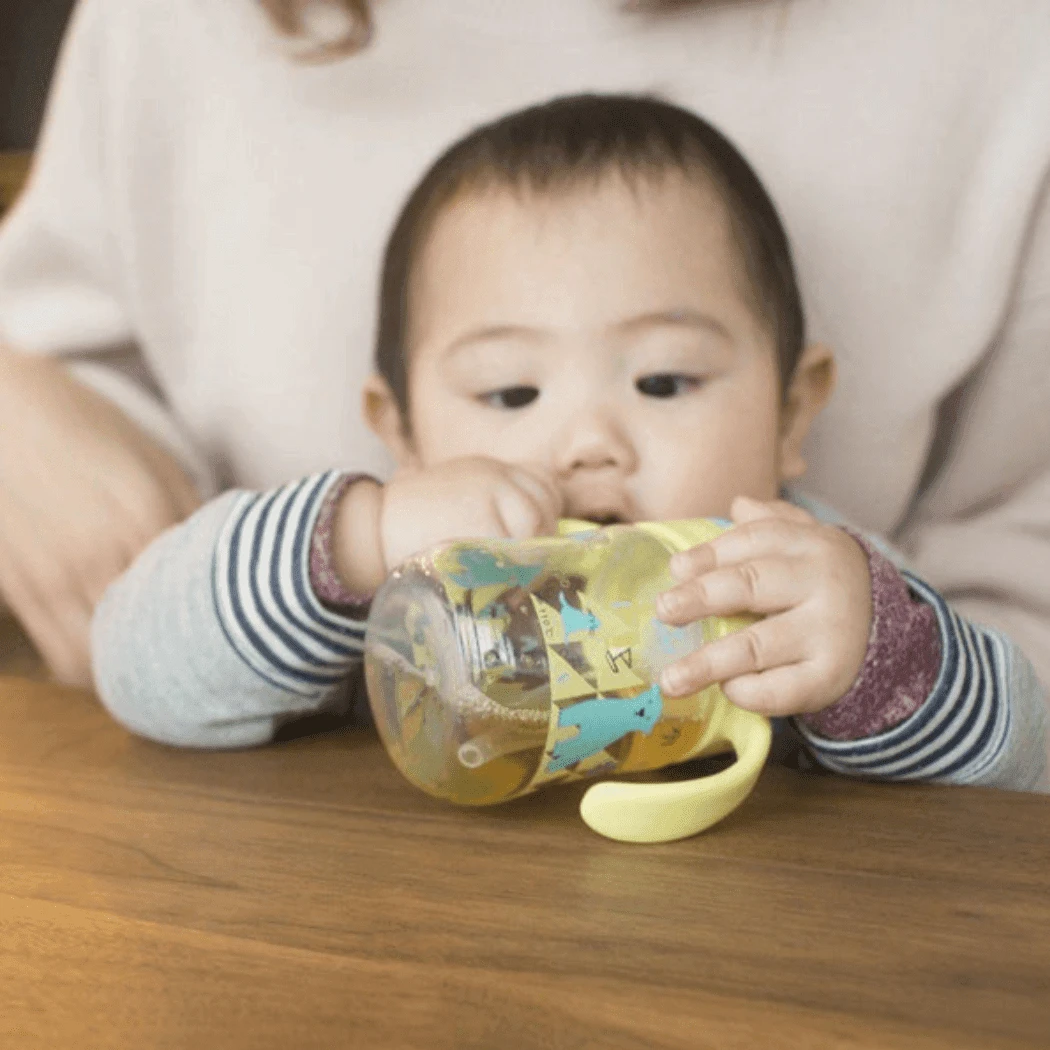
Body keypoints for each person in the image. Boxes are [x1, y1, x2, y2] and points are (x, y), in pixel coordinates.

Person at [1, 0, 1049, 764]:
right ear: (399, 427)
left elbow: (1024, 758)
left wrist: (889, 667)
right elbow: (136, 662)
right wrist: (356, 539)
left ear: (791, 412)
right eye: (510, 397)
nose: (589, 440)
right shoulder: (387, 588)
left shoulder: (801, 585)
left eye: (666, 381)